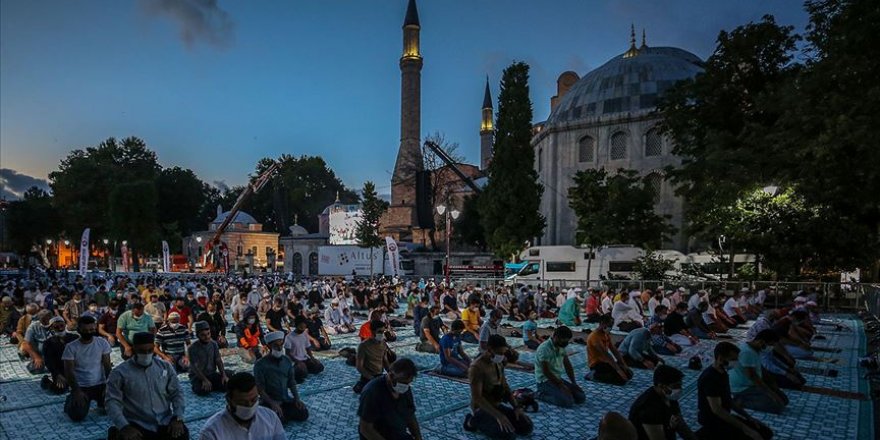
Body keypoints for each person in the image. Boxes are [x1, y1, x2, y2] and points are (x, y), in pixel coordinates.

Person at [106, 332, 188, 440]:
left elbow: (177, 393)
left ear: (153, 348)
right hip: (137, 425)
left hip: (164, 422)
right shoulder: (120, 373)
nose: (146, 354)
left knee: (181, 433)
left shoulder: (165, 367)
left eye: (150, 351)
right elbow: (112, 401)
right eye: (142, 351)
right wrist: (124, 426)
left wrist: (178, 418)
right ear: (134, 349)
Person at [697, 342, 773, 440]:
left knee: (765, 432)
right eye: (733, 359)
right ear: (720, 358)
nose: (736, 362)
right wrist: (746, 429)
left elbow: (728, 400)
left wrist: (748, 417)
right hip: (713, 421)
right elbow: (717, 410)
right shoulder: (710, 378)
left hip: (723, 417)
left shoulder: (722, 373)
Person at [463, 334, 534, 439]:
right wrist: (499, 416)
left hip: (497, 405)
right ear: (490, 349)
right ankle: (472, 421)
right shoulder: (477, 367)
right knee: (507, 436)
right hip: (483, 408)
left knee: (526, 427)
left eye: (503, 353)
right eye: (500, 353)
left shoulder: (499, 362)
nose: (502, 356)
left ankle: (495, 418)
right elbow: (477, 397)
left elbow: (505, 387)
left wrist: (516, 407)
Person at [198, 372, 285, 440]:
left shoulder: (270, 418)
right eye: (243, 403)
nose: (250, 406)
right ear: (229, 400)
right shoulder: (212, 432)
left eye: (254, 400)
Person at [357, 358, 423, 440]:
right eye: (403, 382)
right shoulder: (372, 392)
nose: (405, 386)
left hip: (398, 435)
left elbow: (410, 416)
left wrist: (418, 437)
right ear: (391, 376)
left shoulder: (405, 389)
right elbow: (365, 429)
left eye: (408, 383)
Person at [63, 316, 112, 421]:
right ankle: (70, 401)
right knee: (77, 415)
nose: (89, 332)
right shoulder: (71, 347)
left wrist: (109, 386)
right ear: (79, 330)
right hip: (82, 386)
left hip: (101, 384)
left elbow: (107, 366)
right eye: (85, 330)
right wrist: (76, 391)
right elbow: (69, 371)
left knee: (114, 409)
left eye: (91, 330)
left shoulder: (102, 343)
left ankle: (101, 402)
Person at [628, 365, 697, 440]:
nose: (679, 389)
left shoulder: (669, 396)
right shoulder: (649, 408)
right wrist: (670, 428)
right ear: (661, 386)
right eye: (676, 386)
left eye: (680, 385)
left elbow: (681, 425)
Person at [254, 331, 309, 423]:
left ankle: (283, 413)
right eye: (276, 346)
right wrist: (272, 403)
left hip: (284, 399)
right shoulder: (260, 365)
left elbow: (291, 382)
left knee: (303, 413)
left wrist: (297, 399)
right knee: (278, 420)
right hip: (269, 401)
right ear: (268, 346)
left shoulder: (286, 360)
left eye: (281, 345)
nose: (279, 348)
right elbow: (260, 389)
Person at [729, 329, 788, 414]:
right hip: (742, 387)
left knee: (784, 400)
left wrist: (773, 385)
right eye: (770, 345)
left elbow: (760, 368)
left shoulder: (755, 349)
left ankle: (751, 397)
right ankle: (740, 400)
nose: (770, 348)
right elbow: (753, 377)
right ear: (761, 342)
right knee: (777, 407)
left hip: (751, 383)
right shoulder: (747, 352)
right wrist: (771, 393)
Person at [534, 326, 585, 408]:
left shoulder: (560, 346)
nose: (565, 343)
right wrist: (562, 386)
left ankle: (559, 393)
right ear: (556, 337)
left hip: (557, 379)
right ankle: (539, 394)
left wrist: (574, 383)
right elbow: (546, 372)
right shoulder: (544, 349)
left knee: (581, 397)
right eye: (563, 341)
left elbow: (567, 365)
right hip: (545, 381)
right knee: (568, 402)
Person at [587, 314, 633, 385]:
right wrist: (618, 370)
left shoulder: (606, 335)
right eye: (609, 325)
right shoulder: (594, 337)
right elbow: (606, 355)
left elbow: (615, 351)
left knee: (629, 374)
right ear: (602, 323)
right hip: (596, 364)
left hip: (605, 362)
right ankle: (593, 375)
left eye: (611, 326)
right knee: (621, 380)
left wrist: (624, 365)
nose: (610, 328)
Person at [189, 321, 231, 396]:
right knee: (203, 391)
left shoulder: (213, 344)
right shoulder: (192, 348)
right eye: (203, 335)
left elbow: (218, 360)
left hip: (211, 374)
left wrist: (223, 375)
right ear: (198, 335)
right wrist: (204, 380)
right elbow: (195, 367)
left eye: (208, 334)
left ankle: (212, 384)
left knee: (227, 383)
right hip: (198, 377)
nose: (207, 337)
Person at [41, 315, 80, 393]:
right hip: (60, 371)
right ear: (51, 328)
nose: (60, 328)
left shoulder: (75, 338)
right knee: (59, 389)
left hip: (77, 369)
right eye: (56, 327)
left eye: (61, 325)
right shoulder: (48, 343)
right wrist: (57, 375)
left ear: (65, 325)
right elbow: (49, 361)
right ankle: (47, 380)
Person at [284, 316, 325, 383]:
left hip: (305, 358)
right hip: (295, 361)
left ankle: (305, 367)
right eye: (301, 327)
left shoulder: (304, 334)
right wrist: (298, 362)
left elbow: (308, 348)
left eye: (304, 328)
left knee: (320, 367)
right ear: (296, 326)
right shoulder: (289, 337)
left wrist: (312, 358)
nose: (302, 329)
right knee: (302, 373)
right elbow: (287, 354)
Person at [355, 319, 392, 394]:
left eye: (383, 332)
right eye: (379, 332)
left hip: (379, 375)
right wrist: (371, 378)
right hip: (367, 377)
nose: (382, 334)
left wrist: (391, 374)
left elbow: (385, 361)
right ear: (372, 331)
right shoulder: (363, 346)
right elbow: (359, 367)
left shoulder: (383, 344)